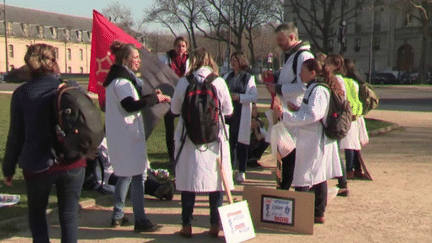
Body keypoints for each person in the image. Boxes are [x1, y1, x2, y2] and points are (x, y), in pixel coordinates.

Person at [2, 43, 86, 242]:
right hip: (72, 160)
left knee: (38, 216)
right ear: (54, 62)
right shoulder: (71, 86)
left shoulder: (22, 94)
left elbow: (16, 136)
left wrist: (8, 168)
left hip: (38, 164)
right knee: (69, 215)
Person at [103, 41, 170, 232]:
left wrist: (151, 98)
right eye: (135, 57)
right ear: (124, 60)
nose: (138, 61)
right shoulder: (122, 82)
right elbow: (130, 105)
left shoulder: (116, 81)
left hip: (122, 135)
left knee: (124, 175)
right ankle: (140, 220)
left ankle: (117, 214)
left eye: (139, 58)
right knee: (138, 175)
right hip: (128, 136)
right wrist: (154, 99)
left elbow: (132, 101)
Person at [171, 47, 234, 238]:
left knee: (189, 181)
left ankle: (187, 225)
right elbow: (229, 110)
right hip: (214, 138)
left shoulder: (184, 82)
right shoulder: (219, 82)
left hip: (188, 138)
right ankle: (215, 225)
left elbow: (174, 109)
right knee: (216, 182)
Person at [273, 59, 343, 224]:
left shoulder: (319, 90)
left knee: (305, 177)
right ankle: (317, 213)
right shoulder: (314, 89)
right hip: (309, 138)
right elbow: (311, 111)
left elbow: (313, 115)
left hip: (314, 139)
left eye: (303, 70)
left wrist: (285, 115)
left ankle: (303, 215)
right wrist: (297, 110)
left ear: (313, 73)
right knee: (316, 175)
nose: (299, 74)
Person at [263, 22, 314, 190]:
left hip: (295, 111)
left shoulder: (302, 56)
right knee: (286, 152)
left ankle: (286, 188)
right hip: (287, 111)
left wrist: (278, 88)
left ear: (292, 37)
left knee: (291, 154)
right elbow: (290, 77)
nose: (278, 43)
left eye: (281, 39)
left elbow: (303, 86)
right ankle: (285, 186)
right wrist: (274, 76)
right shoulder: (292, 56)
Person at [83, 137, 175, 200]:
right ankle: (158, 189)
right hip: (106, 174)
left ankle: (160, 187)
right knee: (128, 179)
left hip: (118, 168)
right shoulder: (98, 140)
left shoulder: (115, 136)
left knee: (136, 173)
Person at [223, 51, 258, 183]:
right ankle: (230, 168)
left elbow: (254, 96)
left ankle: (242, 171)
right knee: (230, 142)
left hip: (241, 111)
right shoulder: (227, 76)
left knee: (241, 143)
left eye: (235, 60)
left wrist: (240, 97)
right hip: (229, 113)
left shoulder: (248, 78)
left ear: (241, 62)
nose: (233, 62)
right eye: (231, 60)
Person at [160, 36, 190, 175]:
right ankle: (171, 156)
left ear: (186, 48)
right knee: (169, 128)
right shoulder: (166, 59)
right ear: (174, 46)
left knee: (186, 125)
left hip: (184, 97)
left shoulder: (189, 61)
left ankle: (184, 154)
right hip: (169, 96)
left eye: (183, 46)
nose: (180, 48)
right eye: (178, 45)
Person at [343, 58, 371, 179]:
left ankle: (350, 170)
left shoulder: (347, 81)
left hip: (350, 113)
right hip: (357, 113)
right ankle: (357, 168)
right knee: (354, 144)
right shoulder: (358, 79)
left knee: (349, 144)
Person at [248, 103, 270, 168]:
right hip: (248, 145)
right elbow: (259, 137)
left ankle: (254, 159)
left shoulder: (258, 120)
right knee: (263, 142)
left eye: (256, 108)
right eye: (253, 109)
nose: (256, 110)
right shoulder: (250, 121)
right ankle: (251, 159)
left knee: (266, 141)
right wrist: (255, 128)